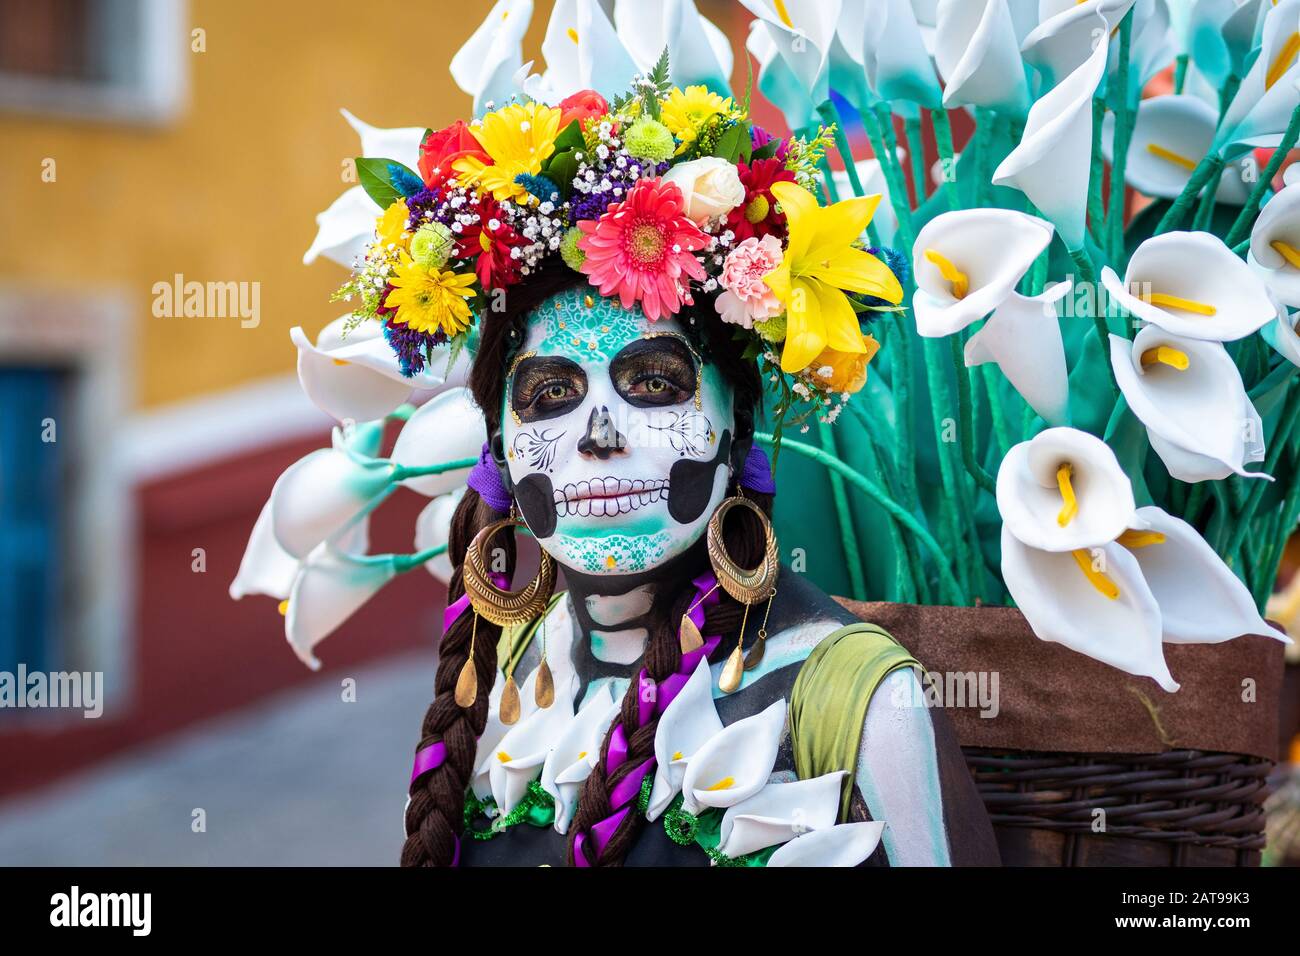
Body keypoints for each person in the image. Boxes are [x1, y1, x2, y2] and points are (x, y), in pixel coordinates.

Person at [400, 268, 999, 867]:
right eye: (551, 394)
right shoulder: (516, 665)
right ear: (501, 447)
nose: (598, 435)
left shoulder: (864, 705)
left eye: (655, 383)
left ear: (735, 429)